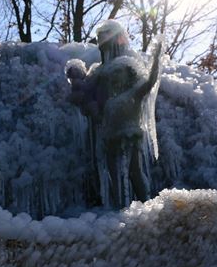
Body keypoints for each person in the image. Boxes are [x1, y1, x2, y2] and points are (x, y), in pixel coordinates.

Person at [66, 20, 163, 208]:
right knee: (112, 173)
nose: (115, 79)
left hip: (129, 131)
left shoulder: (131, 89)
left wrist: (156, 59)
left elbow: (149, 83)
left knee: (135, 171)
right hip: (110, 134)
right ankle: (119, 208)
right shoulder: (106, 90)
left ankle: (145, 206)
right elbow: (87, 95)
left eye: (119, 75)